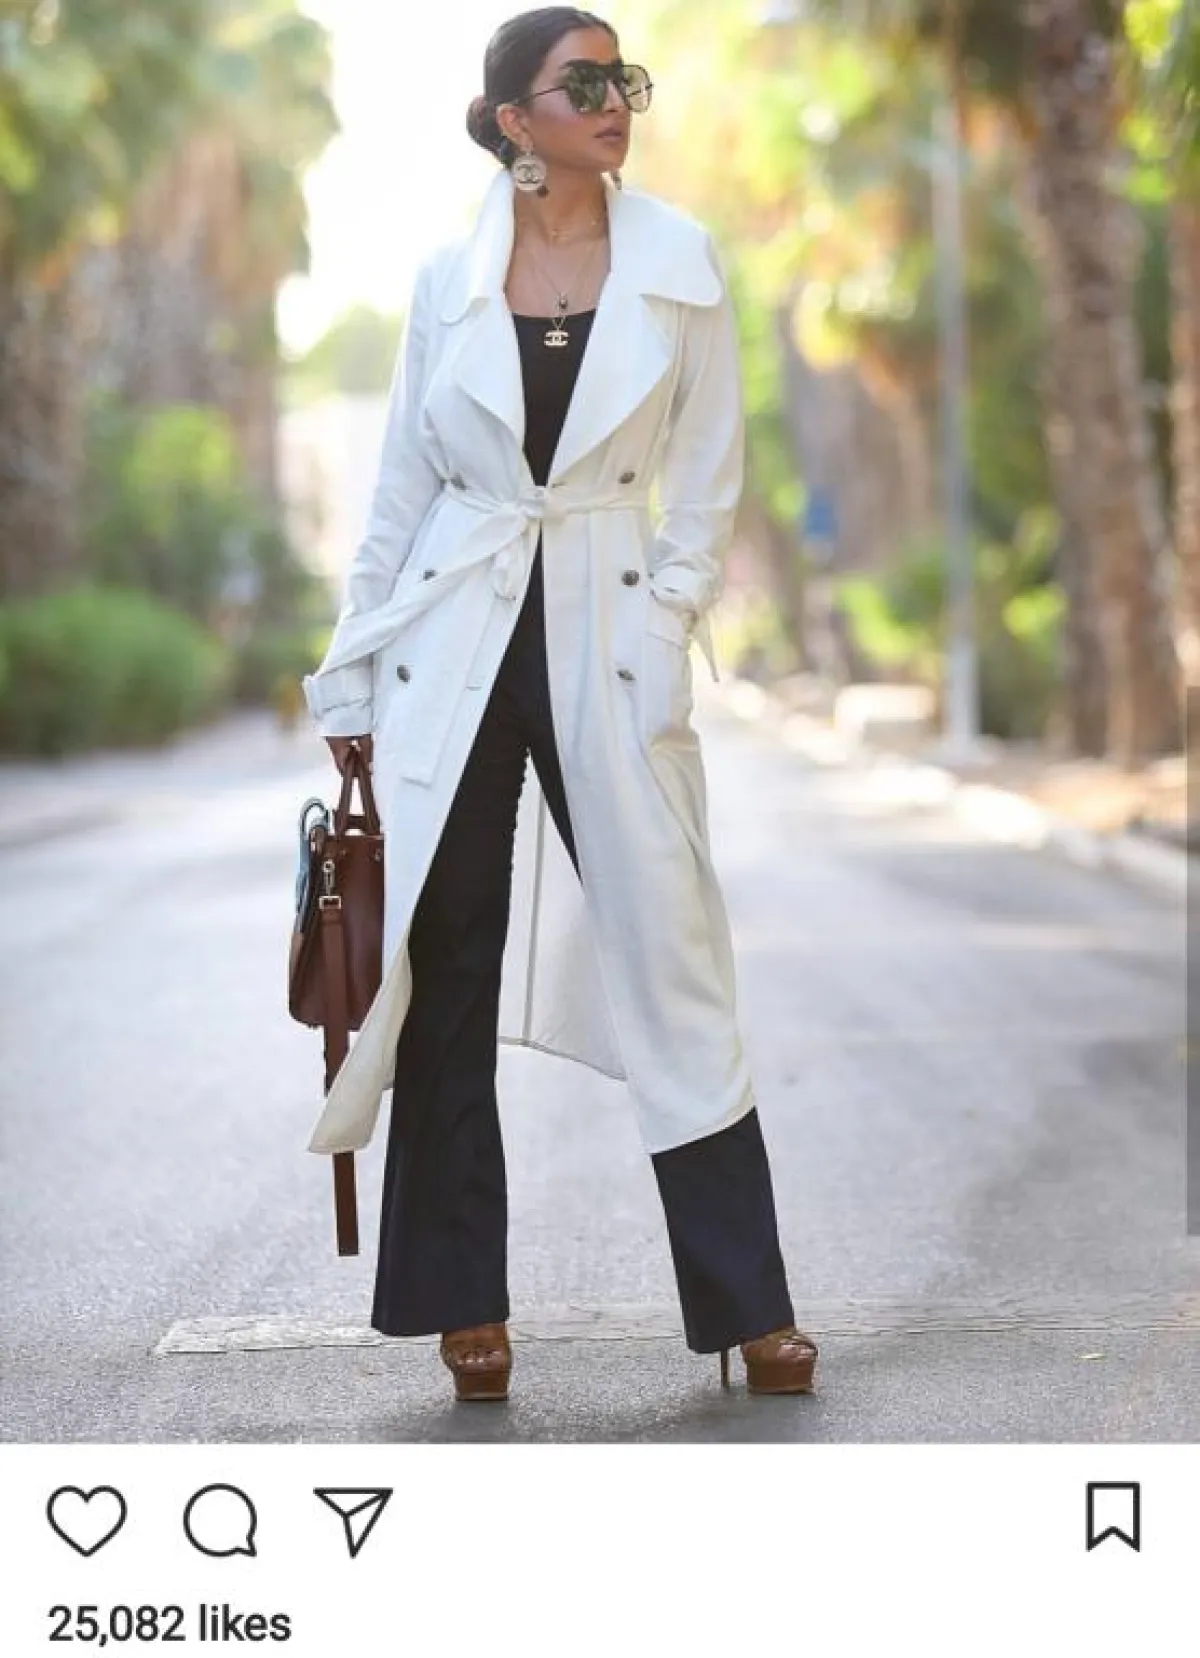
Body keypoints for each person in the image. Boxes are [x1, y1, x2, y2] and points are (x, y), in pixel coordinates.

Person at [302, 5, 819, 1404]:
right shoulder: (445, 278)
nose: (613, 100)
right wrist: (351, 666)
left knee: (673, 956)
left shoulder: (679, 262)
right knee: (447, 961)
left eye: (623, 77)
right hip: (455, 631)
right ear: (511, 120)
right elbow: (401, 489)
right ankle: (460, 1300)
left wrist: (669, 619)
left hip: (610, 622)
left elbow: (707, 471)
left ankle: (751, 1304)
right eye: (580, 81)